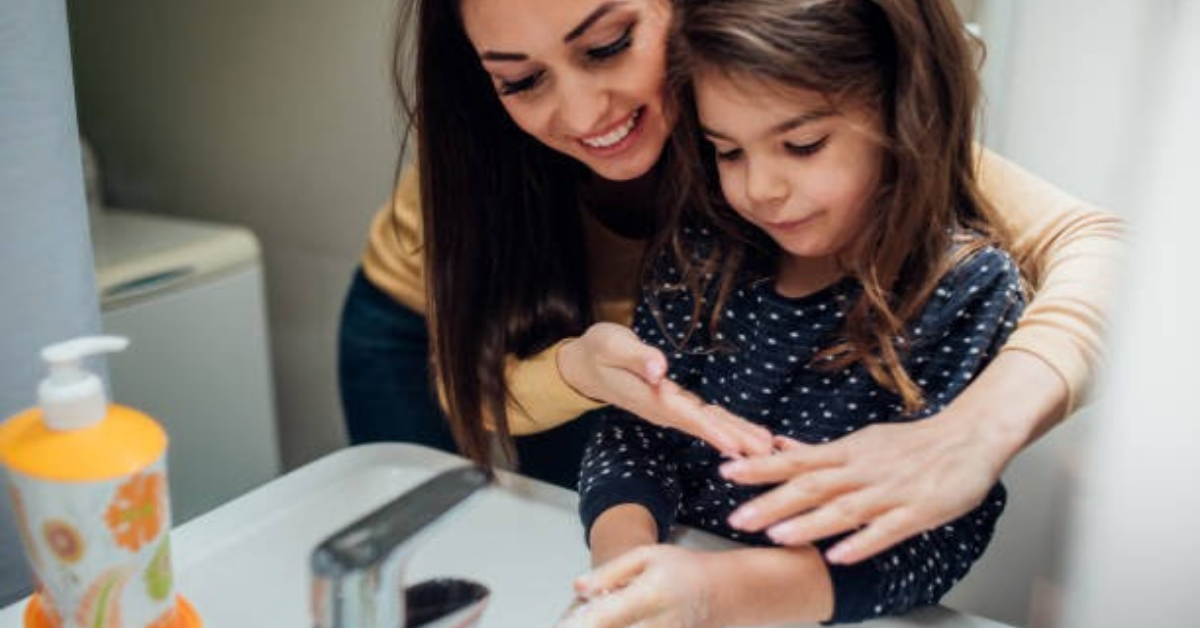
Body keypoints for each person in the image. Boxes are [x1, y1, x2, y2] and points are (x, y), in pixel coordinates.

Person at [338, 0, 1123, 552]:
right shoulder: (485, 158)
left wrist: (976, 429)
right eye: (520, 80)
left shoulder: (774, 107)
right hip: (445, 335)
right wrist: (576, 370)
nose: (580, 115)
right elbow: (466, 390)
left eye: (608, 44)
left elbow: (1102, 248)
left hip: (627, 366)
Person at [568, 0, 1022, 624]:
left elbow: (934, 538)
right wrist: (622, 567)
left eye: (802, 145)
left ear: (905, 113)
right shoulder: (702, 247)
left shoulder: (964, 286)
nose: (760, 189)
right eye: (728, 152)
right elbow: (636, 435)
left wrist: (715, 592)